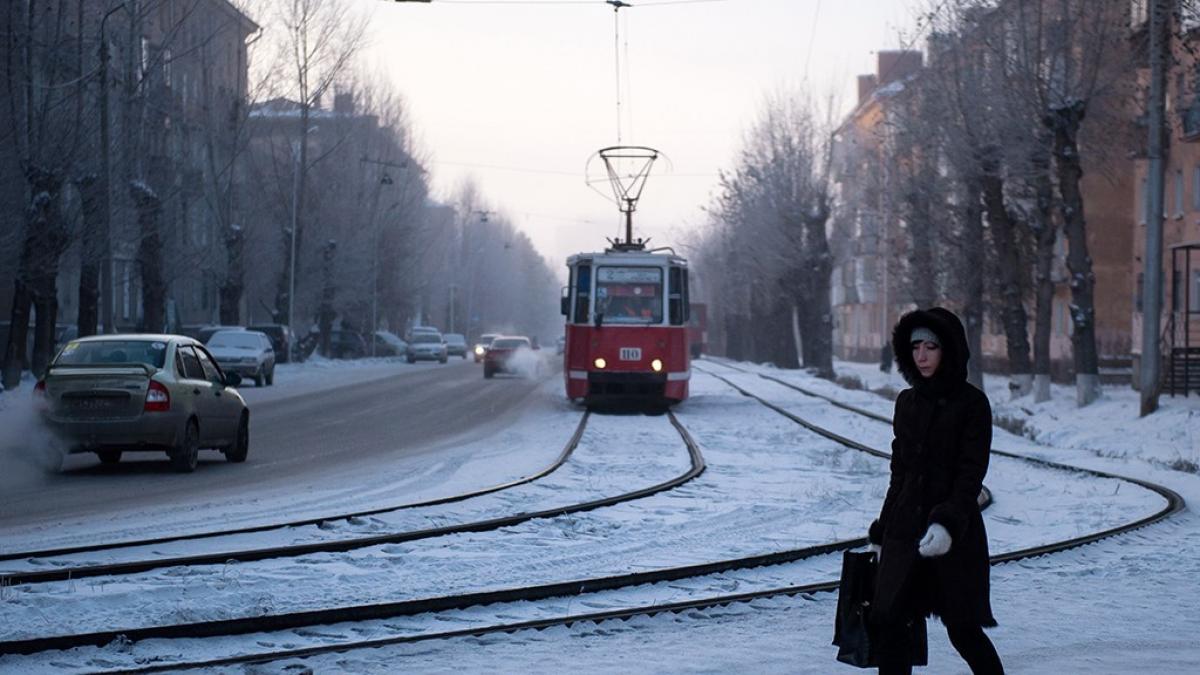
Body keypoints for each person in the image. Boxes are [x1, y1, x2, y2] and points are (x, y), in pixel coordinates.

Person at [866, 307, 1004, 675]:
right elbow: (899, 473)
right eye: (915, 348)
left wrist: (946, 524)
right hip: (905, 532)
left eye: (931, 346)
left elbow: (970, 476)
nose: (922, 356)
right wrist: (883, 530)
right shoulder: (906, 403)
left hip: (952, 536)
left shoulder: (972, 405)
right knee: (892, 625)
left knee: (963, 629)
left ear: (950, 350)